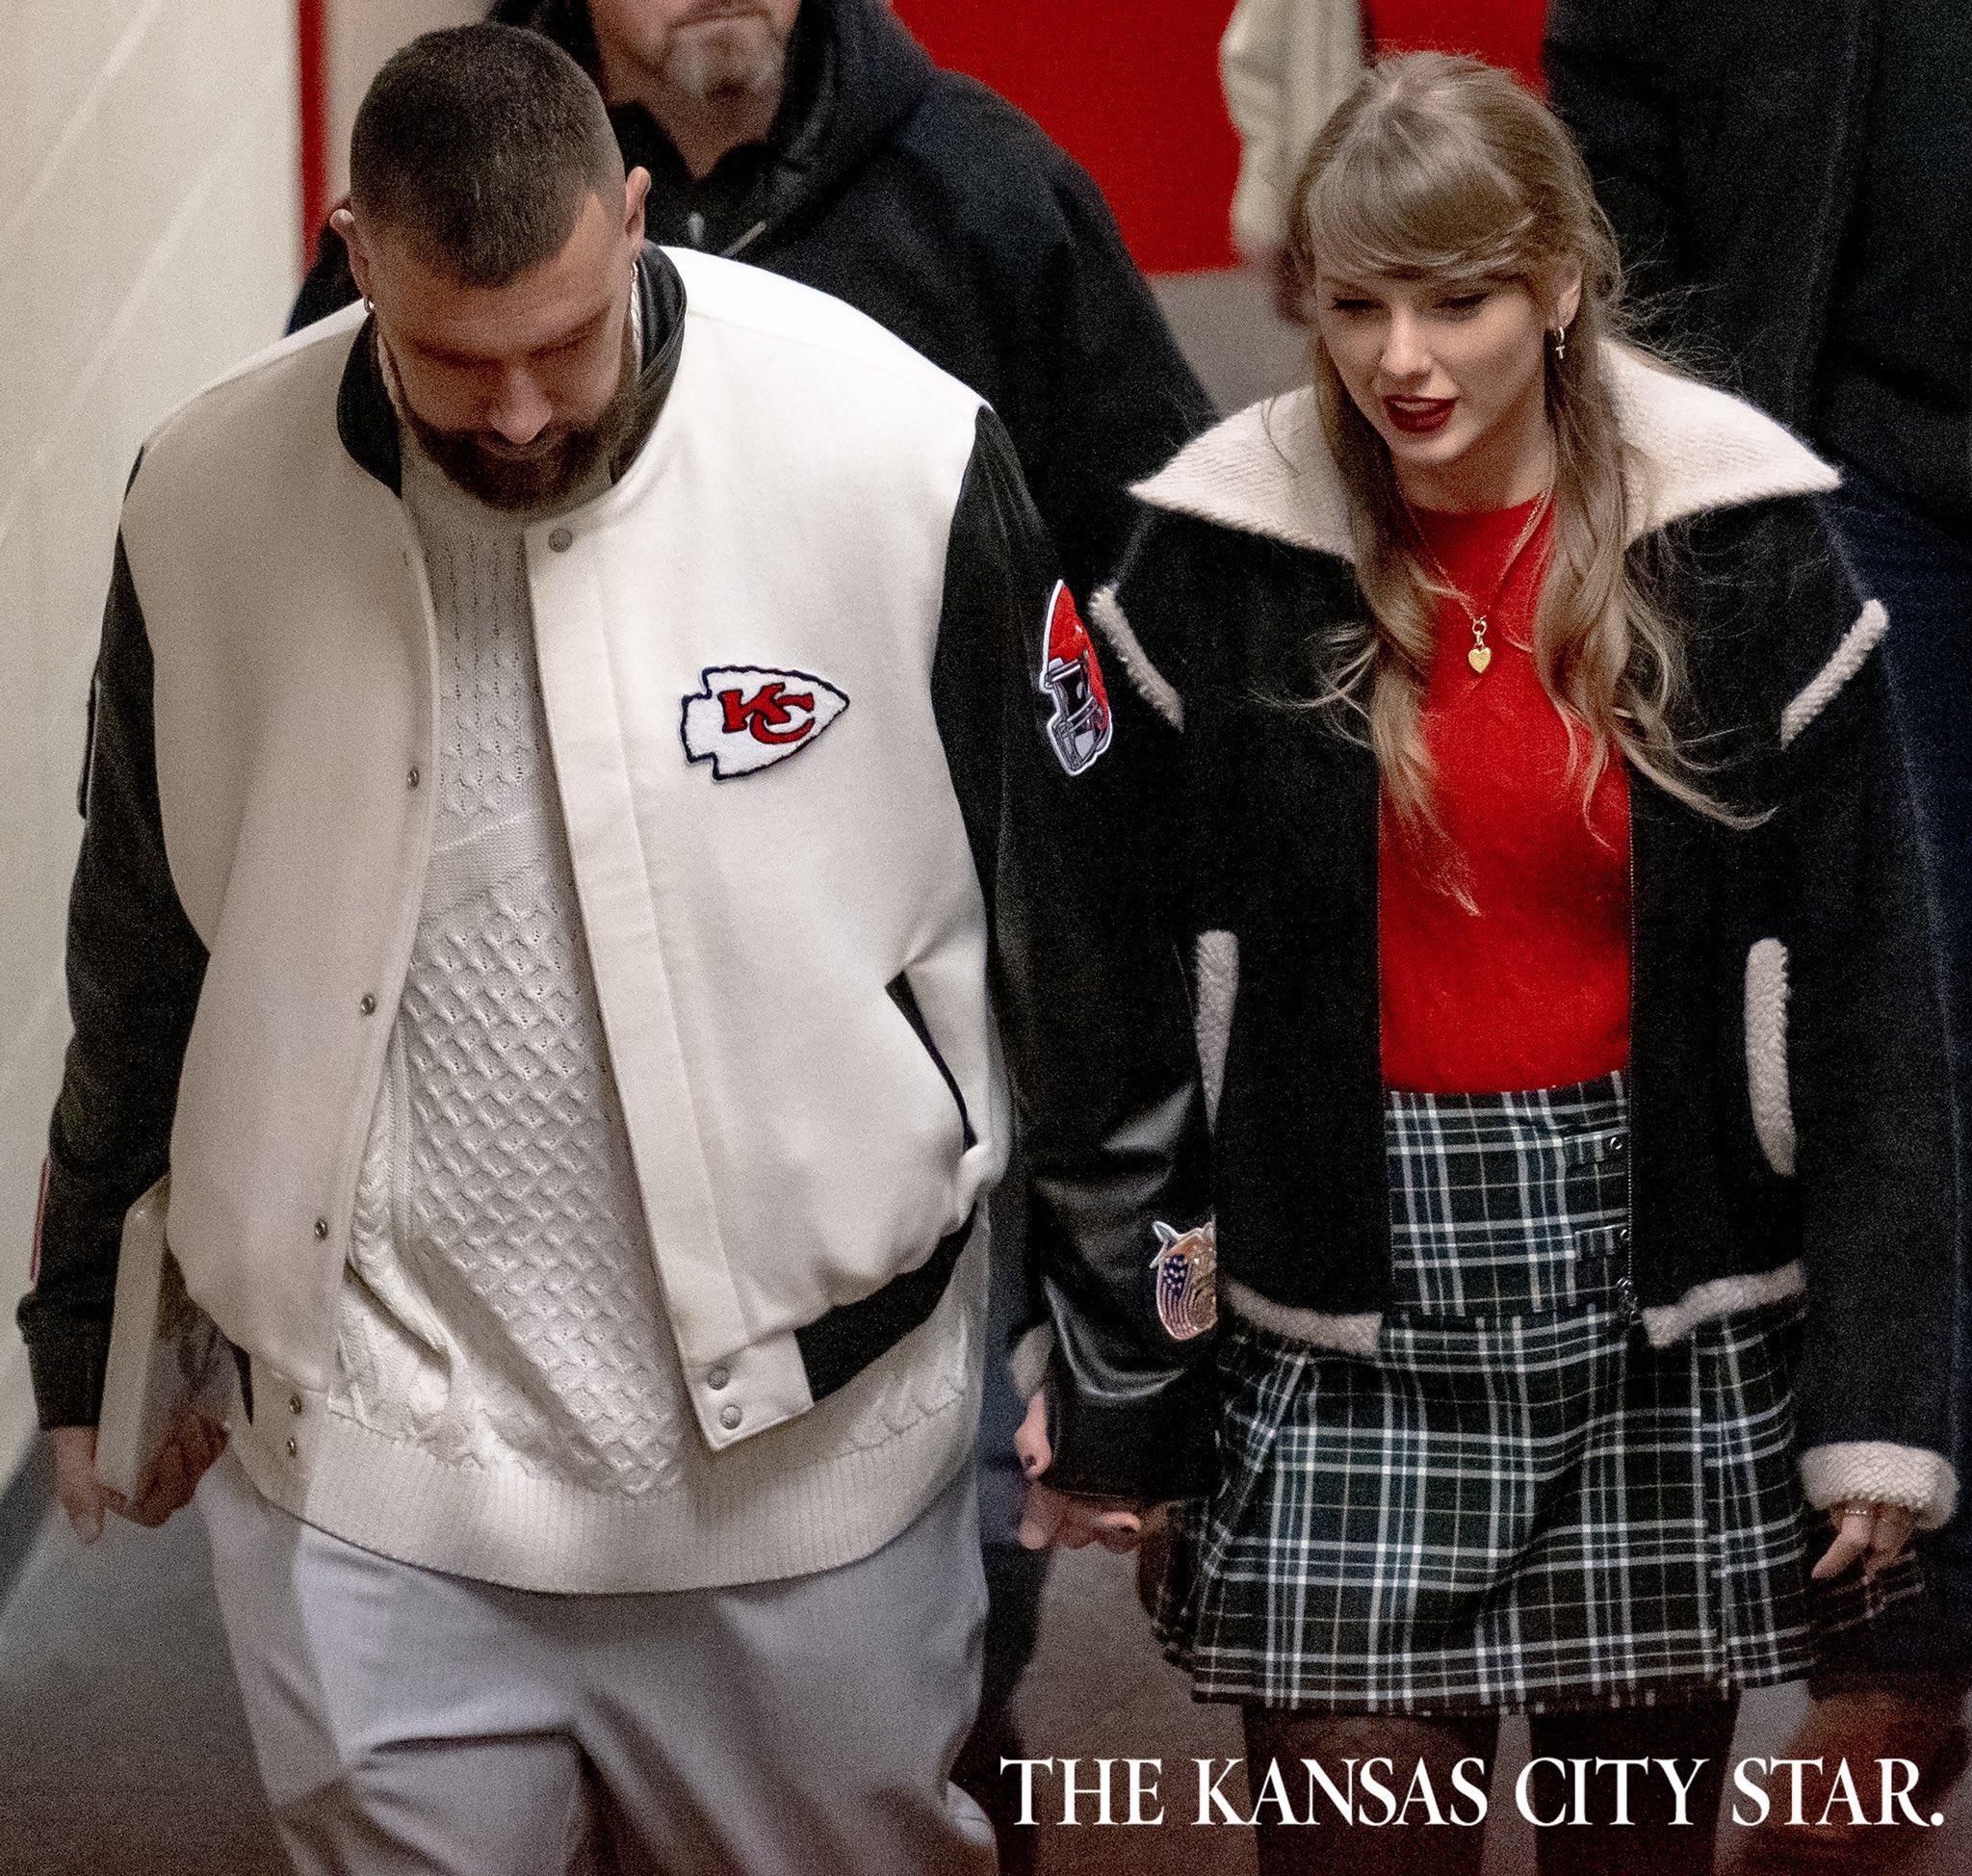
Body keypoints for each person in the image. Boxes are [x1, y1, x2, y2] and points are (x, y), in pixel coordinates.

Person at [15, 26, 1207, 1876]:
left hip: (804, 1468)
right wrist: (90, 1323)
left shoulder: (891, 452)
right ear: (351, 251)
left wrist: (1140, 1345)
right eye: (449, 359)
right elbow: (143, 949)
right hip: (366, 1466)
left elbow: (1086, 927)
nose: (512, 415)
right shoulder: (203, 494)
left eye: (560, 342)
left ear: (633, 217)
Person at [1016, 52, 1959, 1876]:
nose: (1405, 361)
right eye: (1359, 306)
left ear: (1560, 283)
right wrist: (1133, 1358)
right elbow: (1113, 1005)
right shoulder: (1223, 559)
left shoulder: (1737, 551)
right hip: (1331, 1299)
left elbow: (1873, 1012)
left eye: (1458, 299)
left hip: (1661, 1313)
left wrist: (1880, 1413)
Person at [1544, 6, 1972, 1860]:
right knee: (1891, 1028)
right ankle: (1907, 1630)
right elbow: (1612, 92)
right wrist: (1652, 428)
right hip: (1850, 451)